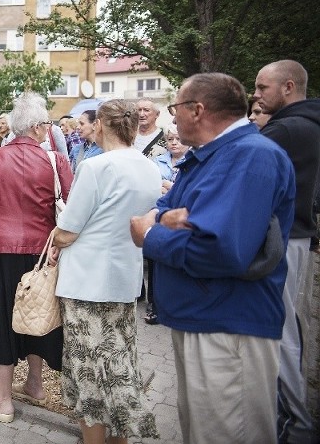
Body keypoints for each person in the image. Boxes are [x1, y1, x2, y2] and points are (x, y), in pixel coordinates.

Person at [130, 72, 296, 443]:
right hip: (205, 318)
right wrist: (170, 220)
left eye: (175, 109)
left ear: (198, 110)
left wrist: (152, 236)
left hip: (228, 326)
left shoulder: (251, 156)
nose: (172, 119)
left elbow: (220, 250)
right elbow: (164, 208)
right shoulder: (212, 157)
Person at [52, 99, 160, 444]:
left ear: (101, 125)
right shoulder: (147, 166)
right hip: (124, 277)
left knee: (88, 371)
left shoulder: (97, 167)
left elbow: (68, 231)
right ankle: (120, 438)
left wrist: (56, 230)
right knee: (118, 364)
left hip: (87, 282)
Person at [0, 91, 73, 424]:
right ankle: (35, 384)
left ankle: (3, 401)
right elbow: (71, 210)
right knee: (38, 313)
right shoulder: (56, 161)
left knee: (0, 320)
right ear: (40, 127)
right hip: (43, 253)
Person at [254, 59, 320, 444]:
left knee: (283, 329)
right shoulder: (306, 124)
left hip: (287, 237)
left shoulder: (288, 129)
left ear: (289, 87)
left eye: (263, 88)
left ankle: (297, 421)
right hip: (299, 235)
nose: (257, 95)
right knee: (294, 324)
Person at [144, 123, 189, 325]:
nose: (174, 143)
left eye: (178, 139)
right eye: (170, 139)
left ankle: (176, 305)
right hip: (160, 215)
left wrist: (171, 187)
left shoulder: (191, 162)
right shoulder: (157, 161)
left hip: (181, 220)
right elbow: (153, 187)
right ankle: (153, 305)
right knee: (155, 264)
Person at [134, 100, 167, 308]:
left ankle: (156, 298)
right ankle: (138, 291)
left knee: (153, 246)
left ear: (156, 114)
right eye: (138, 110)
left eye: (147, 110)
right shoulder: (129, 136)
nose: (142, 113)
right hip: (133, 195)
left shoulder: (165, 139)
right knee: (132, 244)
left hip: (156, 197)